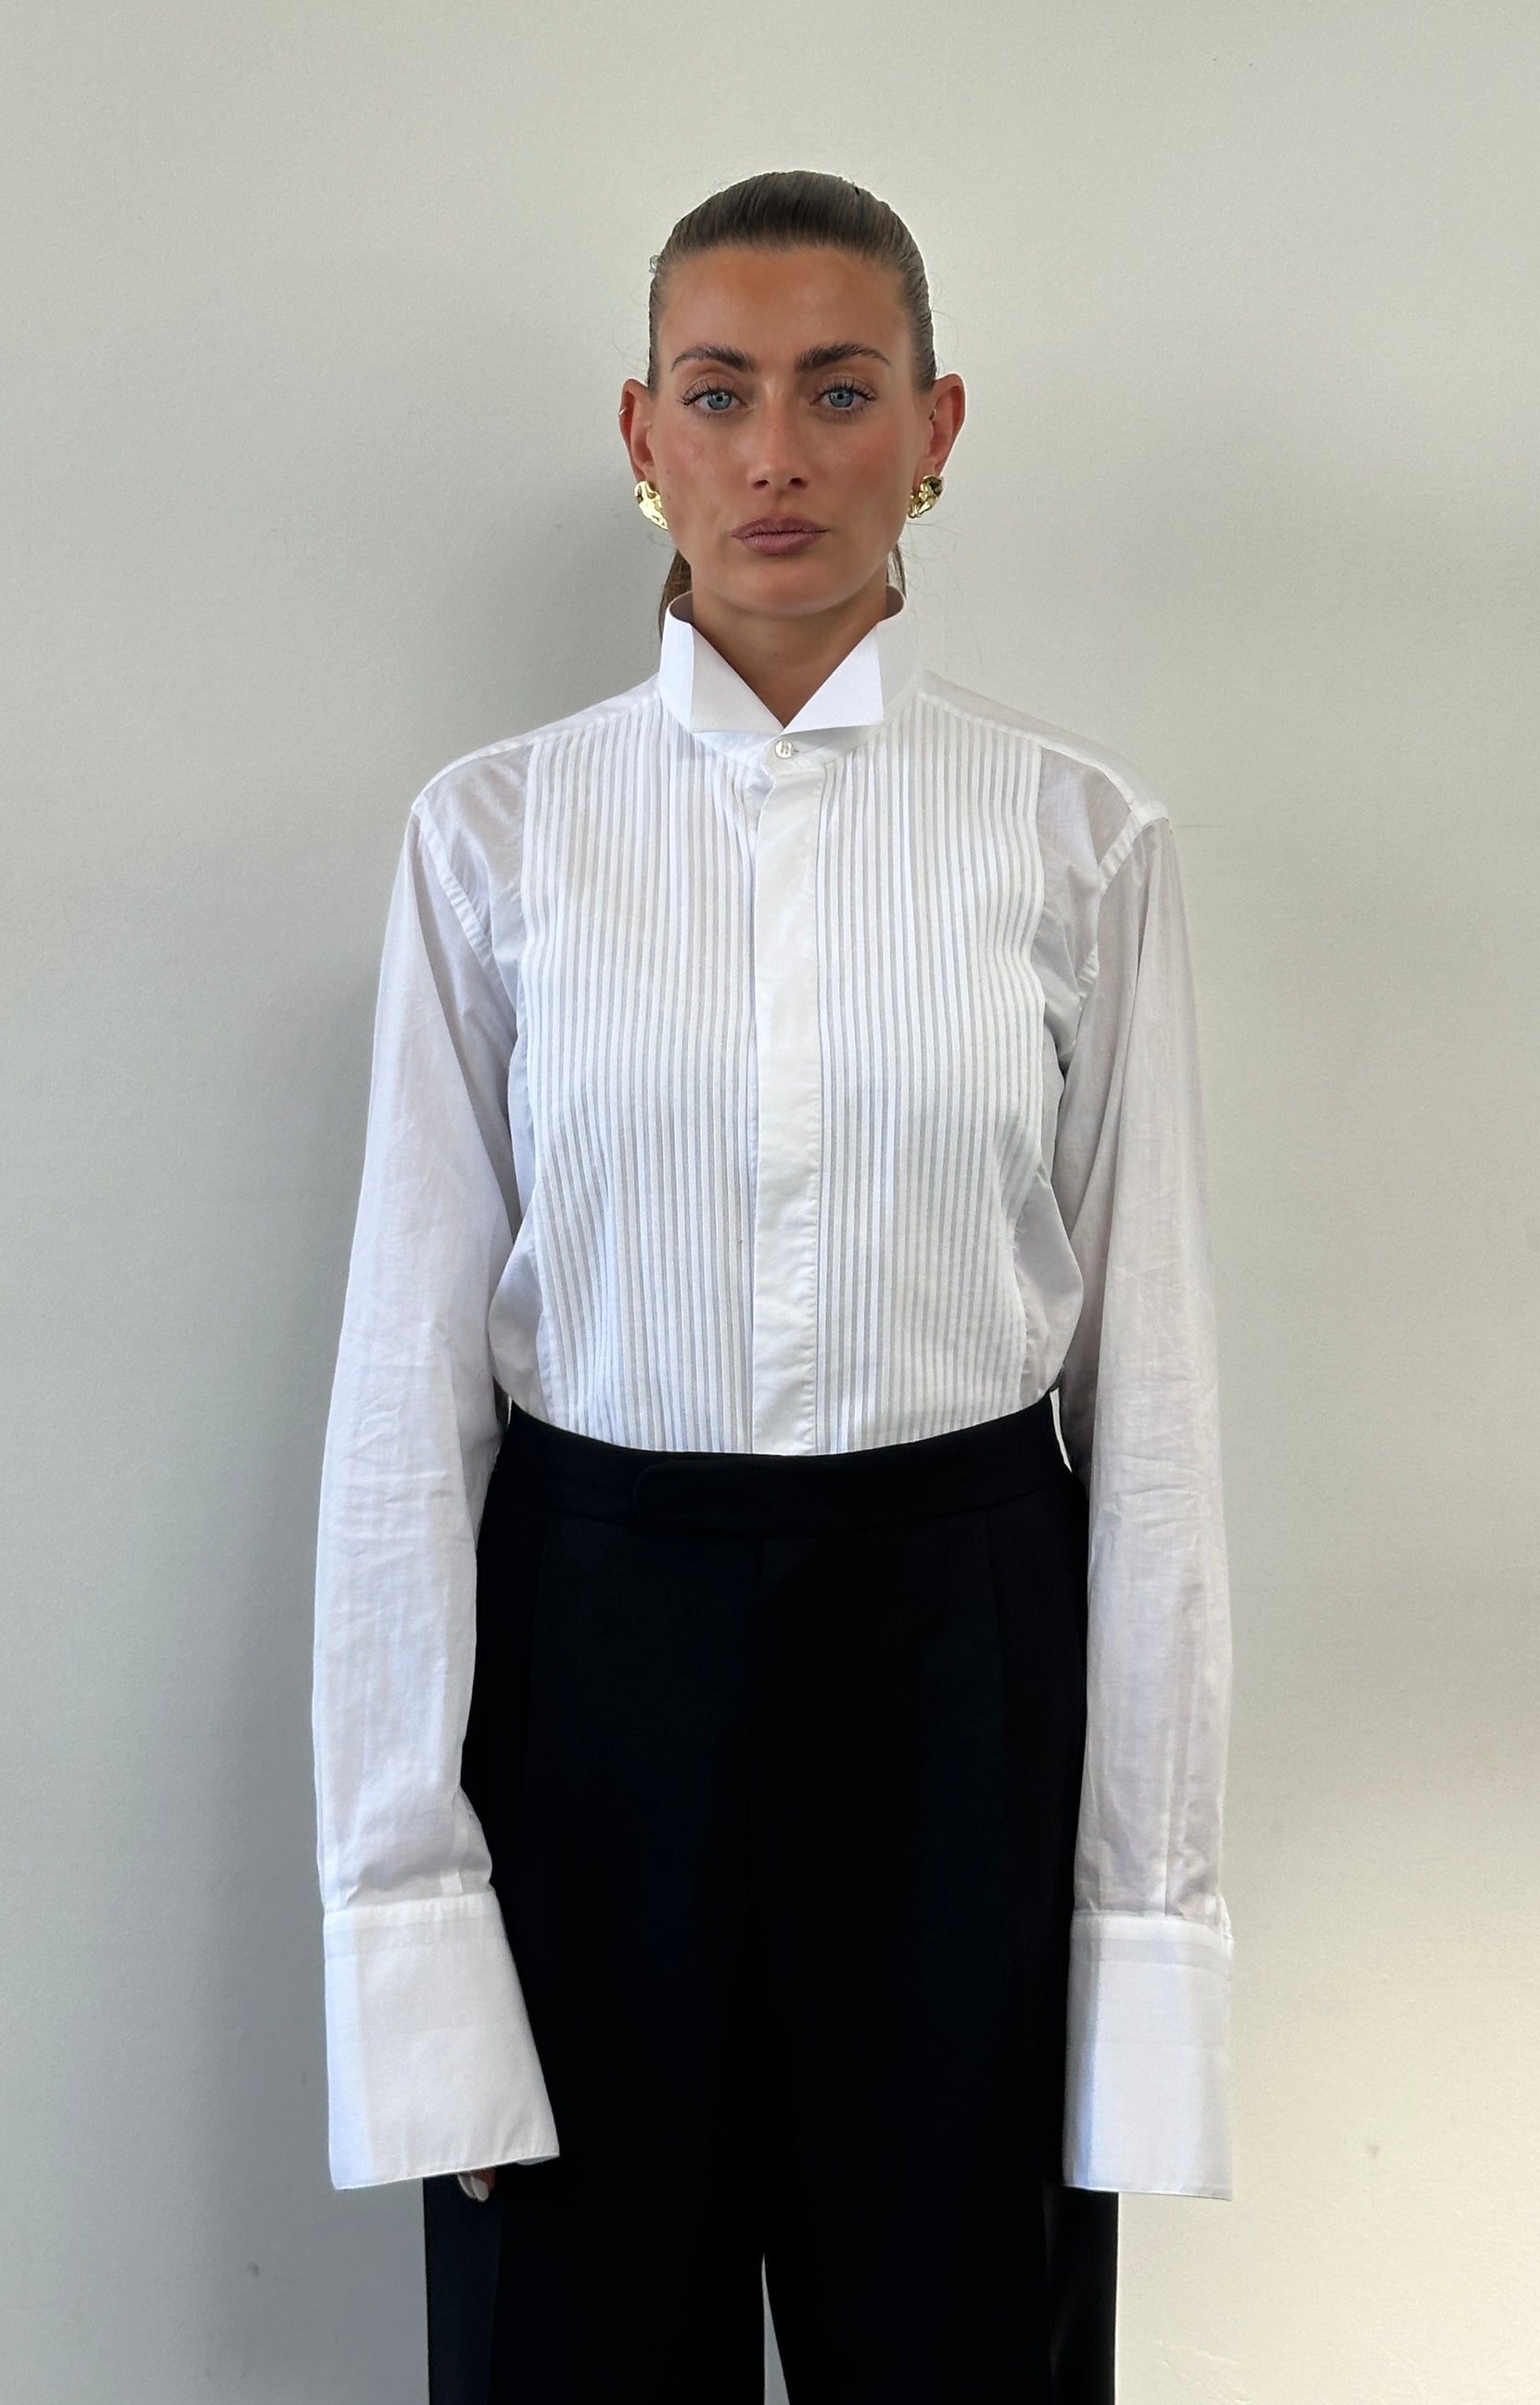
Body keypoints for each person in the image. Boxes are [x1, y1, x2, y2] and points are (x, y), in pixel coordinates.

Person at [312, 168, 1234, 2405]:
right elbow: (405, 1394)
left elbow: (1155, 1402)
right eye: (719, 394)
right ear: (643, 433)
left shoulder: (1075, 841)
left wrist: (1145, 1924)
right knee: (571, 2347)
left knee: (961, 2349)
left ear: (936, 425)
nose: (778, 454)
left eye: (839, 390)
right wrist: (408, 1893)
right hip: (588, 1665)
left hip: (957, 1667)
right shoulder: (494, 837)